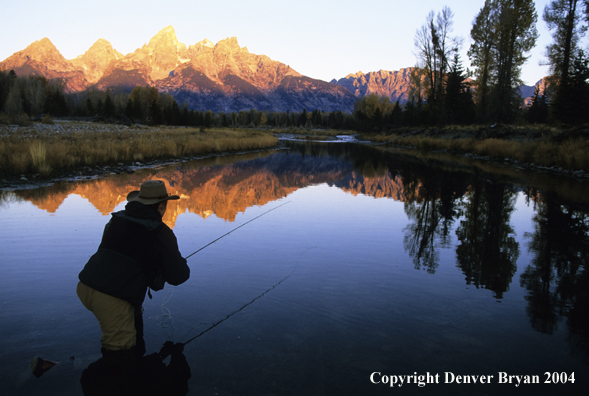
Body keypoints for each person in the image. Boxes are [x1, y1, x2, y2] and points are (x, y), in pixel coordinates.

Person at [77, 180, 190, 358]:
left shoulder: (117, 219)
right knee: (120, 355)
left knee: (134, 336)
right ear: (161, 206)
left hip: (85, 285)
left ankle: (139, 365)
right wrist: (178, 359)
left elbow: (120, 257)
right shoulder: (161, 232)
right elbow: (179, 276)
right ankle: (66, 368)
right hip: (111, 299)